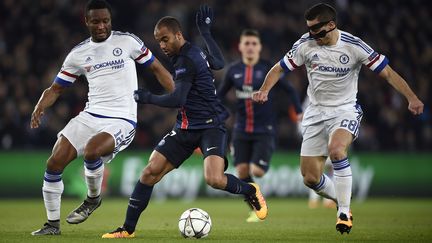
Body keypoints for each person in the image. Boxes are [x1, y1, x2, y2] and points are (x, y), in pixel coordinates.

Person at [252, 3, 424, 234]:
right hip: (315, 112)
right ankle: (342, 201)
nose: (313, 35)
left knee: (336, 150)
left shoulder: (354, 46)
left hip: (345, 110)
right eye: (310, 29)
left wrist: (412, 98)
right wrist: (264, 90)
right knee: (310, 178)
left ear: (331, 25)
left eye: (318, 30)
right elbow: (279, 68)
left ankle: (343, 211)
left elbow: (388, 73)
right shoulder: (305, 44)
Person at [101, 5, 268, 238]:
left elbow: (178, 98)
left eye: (165, 39)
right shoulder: (193, 51)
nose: (162, 46)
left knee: (214, 179)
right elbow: (218, 62)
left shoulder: (186, 60)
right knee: (149, 172)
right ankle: (127, 229)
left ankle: (250, 190)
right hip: (185, 127)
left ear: (178, 35)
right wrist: (206, 33)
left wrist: (147, 97)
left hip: (211, 125)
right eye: (159, 41)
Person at [30, 0, 174, 236]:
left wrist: (179, 97)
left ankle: (93, 199)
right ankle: (52, 225)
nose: (101, 26)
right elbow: (55, 89)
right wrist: (39, 106)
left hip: (122, 119)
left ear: (110, 20)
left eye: (105, 21)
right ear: (86, 21)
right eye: (96, 21)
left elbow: (157, 68)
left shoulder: (127, 42)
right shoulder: (78, 54)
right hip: (91, 115)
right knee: (54, 162)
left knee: (92, 150)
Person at [218, 29, 302, 222]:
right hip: (241, 129)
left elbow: (289, 89)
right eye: (246, 43)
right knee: (241, 172)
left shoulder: (267, 69)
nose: (250, 47)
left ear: (260, 47)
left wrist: (298, 110)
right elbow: (219, 96)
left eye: (253, 44)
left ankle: (257, 189)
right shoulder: (233, 70)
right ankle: (255, 205)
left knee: (256, 171)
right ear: (240, 47)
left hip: (265, 129)